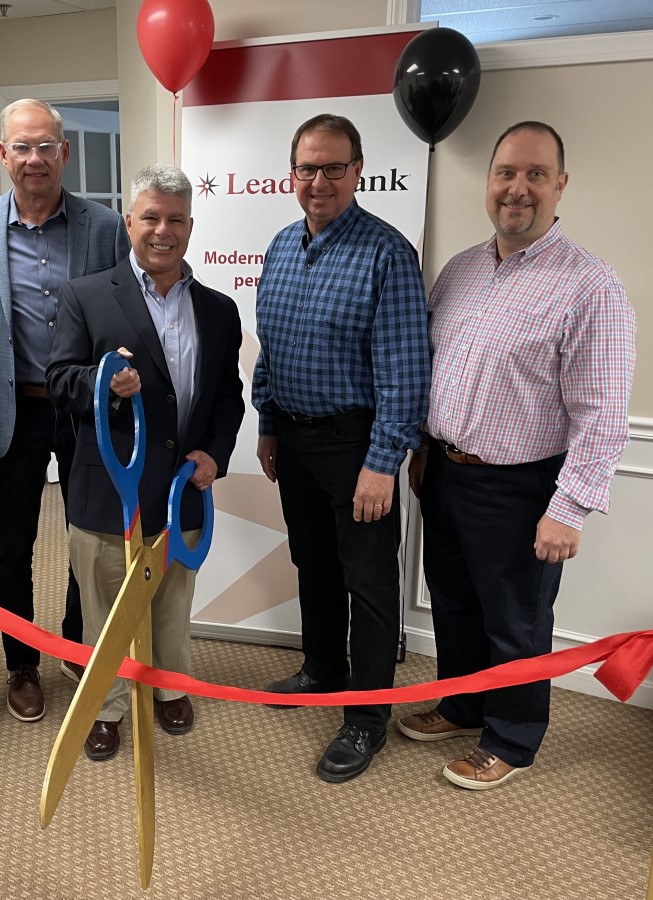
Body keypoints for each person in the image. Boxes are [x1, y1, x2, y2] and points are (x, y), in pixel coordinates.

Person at [399, 121, 636, 790]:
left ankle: (512, 738)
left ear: (560, 186)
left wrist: (570, 509)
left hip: (522, 485)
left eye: (535, 175)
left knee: (516, 621)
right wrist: (422, 448)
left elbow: (602, 413)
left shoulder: (590, 286)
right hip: (444, 471)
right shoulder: (463, 269)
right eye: (506, 173)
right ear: (489, 183)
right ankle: (464, 705)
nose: (517, 189)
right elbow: (433, 368)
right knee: (454, 603)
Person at [253, 114, 430, 783]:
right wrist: (268, 425)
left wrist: (382, 462)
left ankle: (366, 715)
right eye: (307, 168)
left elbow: (406, 371)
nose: (319, 180)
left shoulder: (387, 254)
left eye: (333, 168)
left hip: (357, 444)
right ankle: (323, 668)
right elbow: (271, 347)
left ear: (359, 171)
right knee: (314, 564)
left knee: (370, 585)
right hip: (295, 440)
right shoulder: (279, 246)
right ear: (291, 173)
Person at [46, 163, 243, 761]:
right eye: (150, 217)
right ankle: (105, 708)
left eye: (175, 219)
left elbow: (227, 396)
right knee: (105, 606)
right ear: (129, 221)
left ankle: (167, 690)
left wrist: (216, 452)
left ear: (190, 225)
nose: (163, 230)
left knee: (172, 599)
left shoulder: (219, 309)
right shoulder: (85, 295)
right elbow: (58, 380)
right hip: (109, 489)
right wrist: (107, 385)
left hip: (181, 489)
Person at [0, 99, 130, 724]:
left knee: (88, 534)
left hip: (85, 411)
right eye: (22, 147)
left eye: (46, 145)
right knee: (12, 545)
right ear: (4, 155)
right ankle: (21, 662)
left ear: (65, 152)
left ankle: (77, 645)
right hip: (10, 413)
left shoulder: (104, 227)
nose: (34, 158)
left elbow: (122, 313)